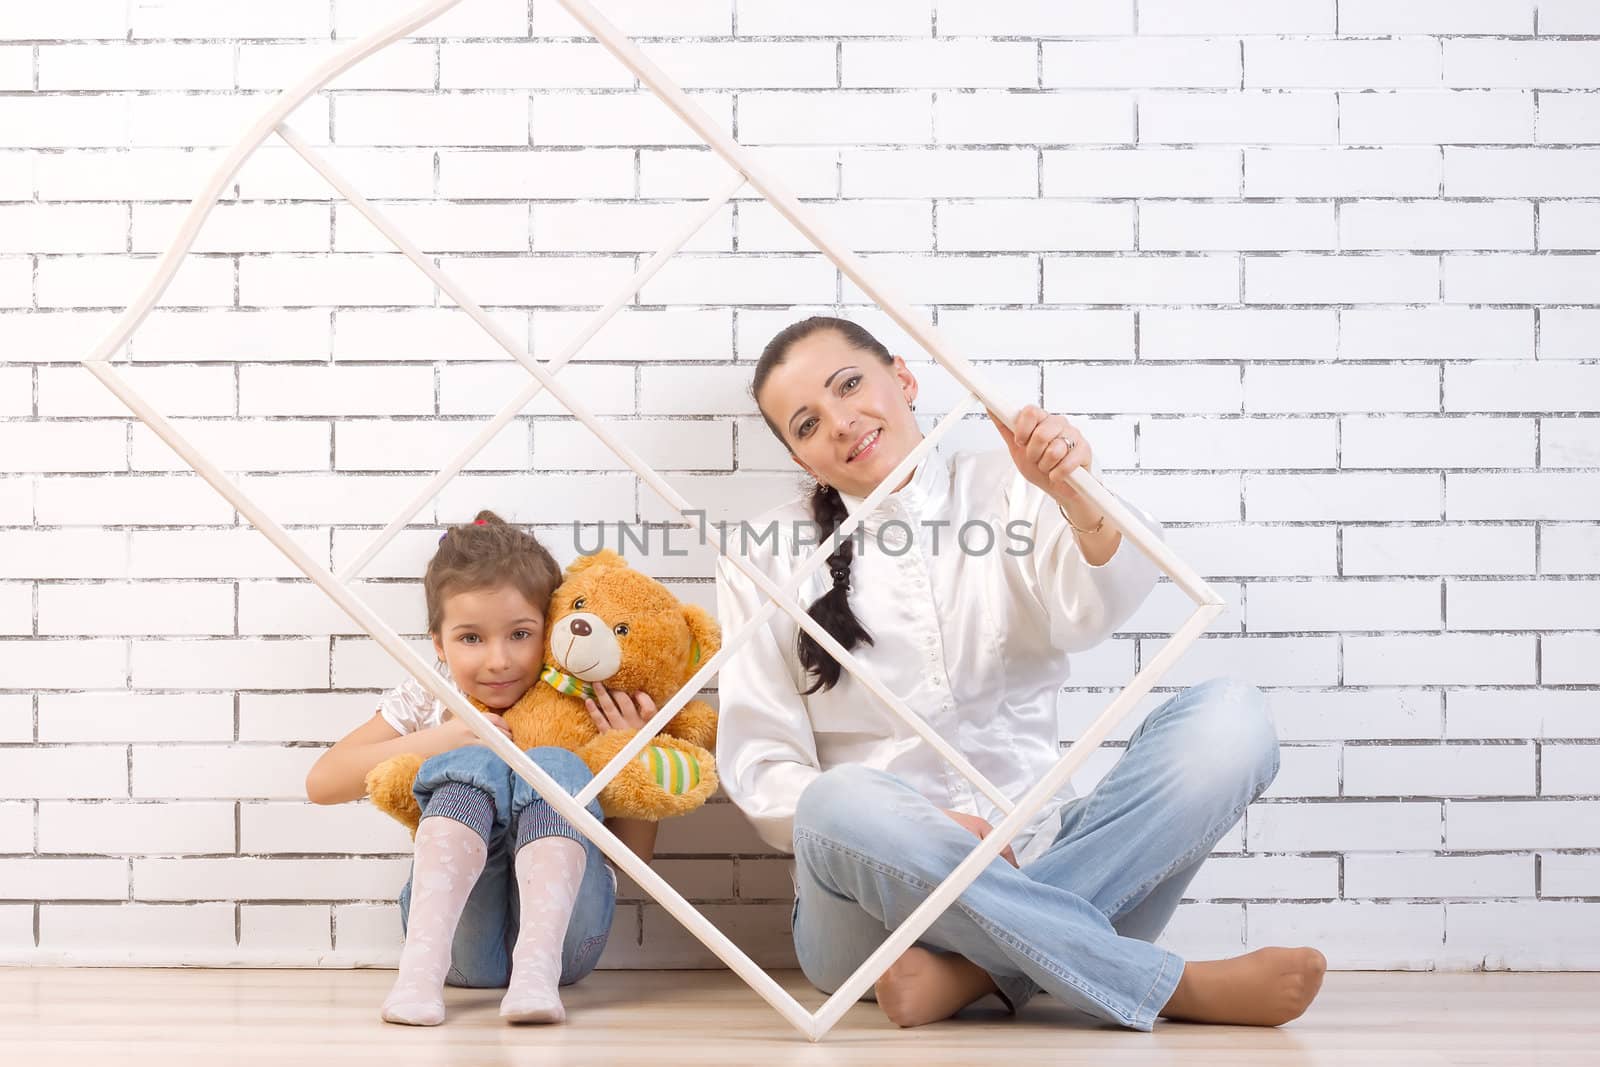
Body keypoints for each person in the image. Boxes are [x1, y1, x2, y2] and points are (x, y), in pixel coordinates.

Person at [715, 316, 1326, 1030]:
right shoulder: (760, 555)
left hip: (1043, 851)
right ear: (803, 457)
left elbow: (1090, 611)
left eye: (850, 384)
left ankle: (974, 972)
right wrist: (935, 827)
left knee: (1232, 721)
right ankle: (1167, 985)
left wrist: (1073, 491)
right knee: (835, 799)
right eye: (808, 424)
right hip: (870, 914)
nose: (842, 423)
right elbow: (762, 766)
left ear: (903, 377)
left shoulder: (1010, 485)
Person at [305, 511, 660, 1026]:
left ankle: (533, 974)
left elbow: (631, 864)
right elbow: (322, 782)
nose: (498, 660)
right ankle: (417, 977)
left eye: (520, 634)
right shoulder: (431, 697)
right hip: (457, 953)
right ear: (439, 644)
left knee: (553, 763)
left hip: (567, 948)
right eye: (471, 638)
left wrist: (631, 755)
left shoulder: (586, 698)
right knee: (469, 761)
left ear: (552, 630)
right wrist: (443, 738)